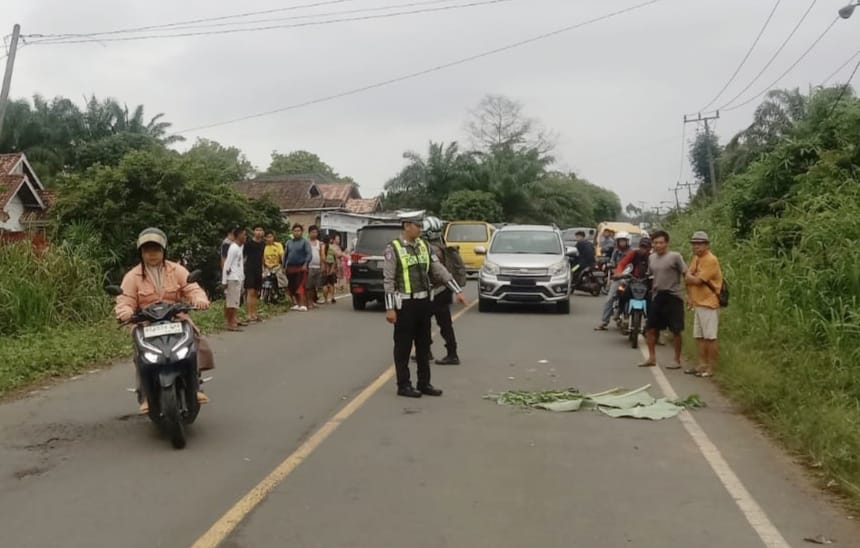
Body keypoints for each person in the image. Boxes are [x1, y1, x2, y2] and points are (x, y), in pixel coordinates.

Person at [114, 228, 212, 414]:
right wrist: (125, 312)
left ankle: (196, 386)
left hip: (175, 319)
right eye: (147, 250)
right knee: (141, 355)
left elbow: (192, 288)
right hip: (146, 324)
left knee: (194, 344)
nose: (152, 254)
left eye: (156, 249)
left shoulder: (177, 270)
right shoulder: (132, 276)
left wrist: (199, 300)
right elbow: (125, 300)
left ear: (163, 251)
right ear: (141, 253)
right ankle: (144, 395)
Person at [383, 213, 467, 398]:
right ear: (407, 226)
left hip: (424, 302)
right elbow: (388, 280)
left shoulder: (424, 246)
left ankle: (424, 383)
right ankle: (403, 384)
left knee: (423, 345)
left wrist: (457, 289)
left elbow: (439, 270)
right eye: (417, 225)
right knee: (403, 346)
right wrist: (390, 308)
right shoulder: (393, 248)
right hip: (404, 303)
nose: (420, 229)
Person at [640, 230, 687, 369]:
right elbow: (650, 275)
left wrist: (690, 293)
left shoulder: (675, 257)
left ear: (666, 243)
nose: (658, 245)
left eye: (661, 242)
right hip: (657, 296)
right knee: (650, 328)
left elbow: (686, 273)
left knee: (676, 330)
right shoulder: (651, 258)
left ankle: (677, 360)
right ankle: (652, 358)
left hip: (673, 296)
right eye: (655, 243)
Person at [424, 216, 462, 365]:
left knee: (424, 322)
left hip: (436, 290)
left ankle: (428, 351)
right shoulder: (442, 245)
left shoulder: (430, 249)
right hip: (445, 289)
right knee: (445, 323)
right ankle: (451, 352)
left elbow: (435, 271)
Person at [684, 231, 723, 378]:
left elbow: (696, 280)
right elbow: (687, 276)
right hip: (698, 302)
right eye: (694, 244)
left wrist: (690, 276)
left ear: (706, 245)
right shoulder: (696, 258)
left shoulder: (710, 260)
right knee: (699, 336)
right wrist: (689, 278)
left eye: (699, 244)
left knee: (710, 337)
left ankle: (711, 368)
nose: (696, 247)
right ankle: (701, 365)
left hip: (709, 302)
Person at [594, 232, 634, 330]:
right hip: (618, 278)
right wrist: (610, 266)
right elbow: (612, 262)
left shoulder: (633, 253)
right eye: (620, 241)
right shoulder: (616, 252)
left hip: (630, 279)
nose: (622, 243)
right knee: (610, 298)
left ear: (628, 242)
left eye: (623, 241)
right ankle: (604, 322)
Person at [222, 226, 247, 331]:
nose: (245, 237)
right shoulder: (233, 248)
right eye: (244, 234)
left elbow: (239, 264)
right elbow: (227, 264)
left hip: (238, 278)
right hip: (232, 278)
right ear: (239, 235)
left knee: (235, 301)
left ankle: (233, 321)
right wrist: (224, 280)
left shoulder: (239, 247)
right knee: (231, 302)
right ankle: (229, 323)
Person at [283, 223, 311, 311]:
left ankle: (303, 304)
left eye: (298, 231)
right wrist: (284, 266)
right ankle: (296, 303)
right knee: (292, 286)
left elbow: (309, 254)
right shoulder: (289, 242)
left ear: (302, 232)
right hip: (290, 267)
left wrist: (306, 264)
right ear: (292, 232)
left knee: (300, 285)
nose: (297, 232)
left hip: (301, 266)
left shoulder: (305, 242)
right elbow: (286, 255)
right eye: (295, 231)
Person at [243, 225, 266, 322]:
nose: (259, 232)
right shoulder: (248, 244)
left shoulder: (263, 244)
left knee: (256, 292)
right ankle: (248, 314)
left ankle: (254, 313)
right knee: (250, 292)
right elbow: (244, 257)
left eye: (261, 230)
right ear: (253, 232)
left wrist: (264, 268)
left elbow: (262, 257)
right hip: (249, 269)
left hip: (258, 269)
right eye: (257, 230)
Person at [263, 230, 286, 297]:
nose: (269, 238)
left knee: (282, 280)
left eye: (271, 237)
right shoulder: (264, 246)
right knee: (263, 278)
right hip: (267, 267)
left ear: (273, 237)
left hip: (276, 267)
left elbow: (282, 256)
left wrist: (283, 266)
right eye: (267, 237)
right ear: (265, 238)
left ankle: (284, 294)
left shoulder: (278, 245)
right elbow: (262, 258)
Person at [306, 225, 324, 309]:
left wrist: (322, 265)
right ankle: (308, 302)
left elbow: (321, 255)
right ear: (309, 233)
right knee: (308, 286)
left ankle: (313, 301)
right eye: (312, 232)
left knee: (314, 286)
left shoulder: (319, 243)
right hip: (309, 266)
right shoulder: (306, 243)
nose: (314, 234)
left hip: (317, 267)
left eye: (316, 232)